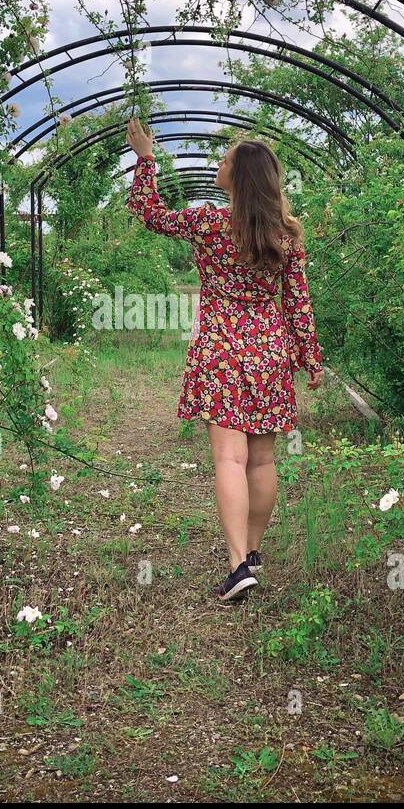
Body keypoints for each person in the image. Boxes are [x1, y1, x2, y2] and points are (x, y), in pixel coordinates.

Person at [124, 117, 323, 602]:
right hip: (269, 350)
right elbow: (297, 300)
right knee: (262, 459)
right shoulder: (286, 235)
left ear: (241, 175)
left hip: (222, 350)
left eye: (226, 159)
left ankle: (237, 567)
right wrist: (309, 357)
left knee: (229, 459)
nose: (219, 163)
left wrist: (145, 159)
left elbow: (149, 213)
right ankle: (252, 554)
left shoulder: (209, 223)